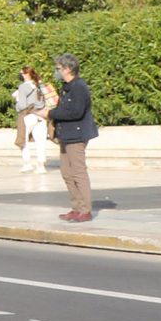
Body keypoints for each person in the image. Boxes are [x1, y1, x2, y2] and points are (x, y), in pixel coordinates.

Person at [49, 54, 96, 222]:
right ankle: (76, 207)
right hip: (66, 135)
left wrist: (50, 113)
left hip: (76, 134)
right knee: (67, 173)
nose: (57, 72)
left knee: (78, 172)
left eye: (59, 69)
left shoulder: (79, 87)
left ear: (68, 69)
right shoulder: (67, 86)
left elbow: (76, 112)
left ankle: (85, 210)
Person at [14, 66, 51, 176]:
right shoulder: (40, 85)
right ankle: (41, 166)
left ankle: (27, 163)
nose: (21, 76)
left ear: (26, 75)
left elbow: (22, 105)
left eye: (22, 74)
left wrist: (16, 100)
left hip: (29, 115)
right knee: (41, 141)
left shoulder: (23, 87)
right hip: (41, 115)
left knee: (22, 139)